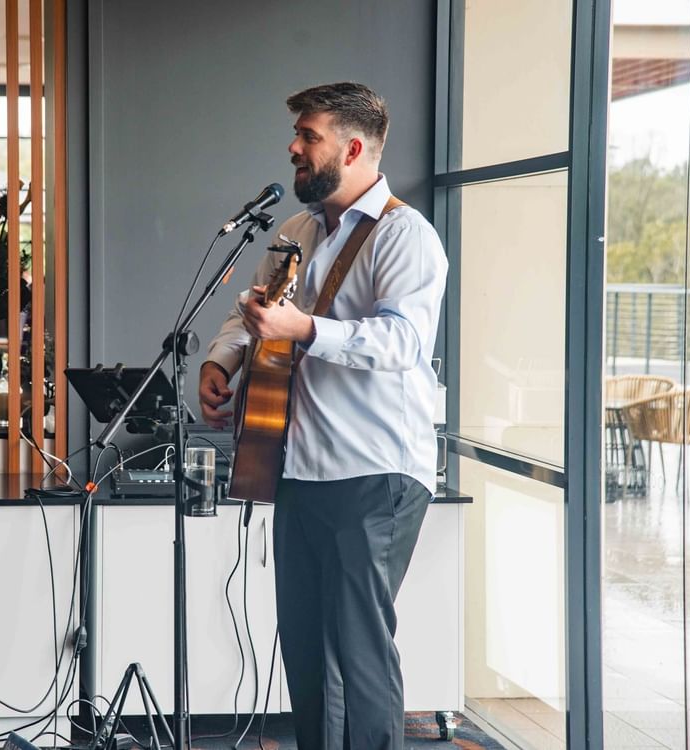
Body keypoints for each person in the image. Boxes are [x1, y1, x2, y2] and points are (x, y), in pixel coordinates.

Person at [198, 82, 448, 750]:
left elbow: (402, 343)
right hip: (300, 468)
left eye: (308, 136)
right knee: (307, 654)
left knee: (359, 653)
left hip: (376, 473)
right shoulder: (296, 230)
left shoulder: (406, 237)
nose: (294, 148)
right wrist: (220, 362)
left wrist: (306, 328)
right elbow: (248, 312)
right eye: (298, 136)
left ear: (354, 146)